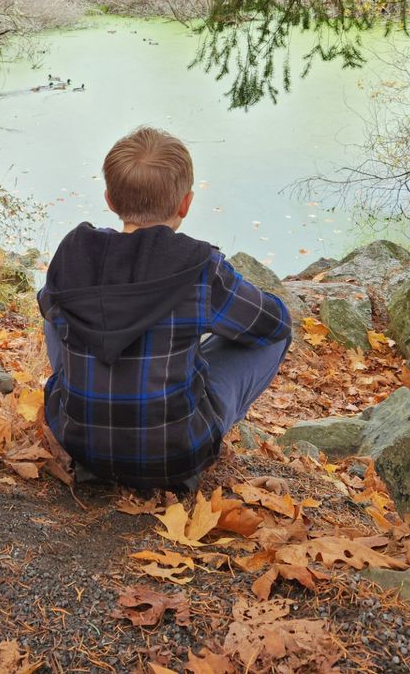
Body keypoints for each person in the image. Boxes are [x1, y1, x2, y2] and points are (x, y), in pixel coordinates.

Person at [38, 126, 292, 491]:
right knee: (272, 337)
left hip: (79, 442)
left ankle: (92, 428)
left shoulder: (75, 253)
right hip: (178, 455)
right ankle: (182, 437)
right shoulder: (200, 268)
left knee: (56, 302)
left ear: (109, 199)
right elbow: (274, 324)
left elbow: (47, 309)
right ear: (185, 204)